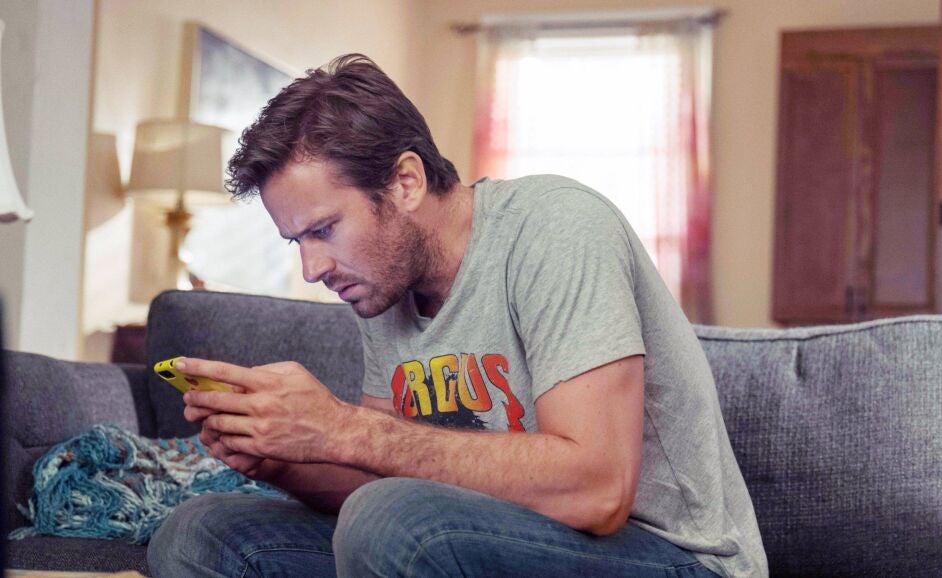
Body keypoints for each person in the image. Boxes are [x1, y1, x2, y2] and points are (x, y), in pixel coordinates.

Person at [147, 54, 767, 578]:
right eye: (297, 242)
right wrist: (282, 459)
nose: (313, 268)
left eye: (325, 229)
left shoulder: (556, 228)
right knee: (201, 532)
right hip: (488, 537)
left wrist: (343, 428)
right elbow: (381, 475)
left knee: (393, 523)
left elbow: (598, 490)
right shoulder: (380, 282)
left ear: (405, 182)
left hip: (674, 557)